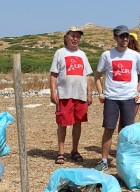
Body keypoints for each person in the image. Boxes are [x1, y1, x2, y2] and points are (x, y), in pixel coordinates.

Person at [94, 25, 140, 171]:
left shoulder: (135, 55)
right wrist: (100, 92)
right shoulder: (107, 55)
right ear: (115, 38)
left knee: (126, 131)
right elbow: (97, 76)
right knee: (109, 129)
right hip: (111, 98)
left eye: (126, 36)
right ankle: (104, 160)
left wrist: (137, 91)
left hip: (129, 99)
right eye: (122, 36)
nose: (125, 39)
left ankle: (124, 160)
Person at [49, 26, 93, 164]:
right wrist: (53, 91)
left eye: (78, 36)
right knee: (63, 123)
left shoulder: (82, 54)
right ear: (66, 37)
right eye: (73, 36)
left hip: (80, 95)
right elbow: (53, 74)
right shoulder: (60, 53)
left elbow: (88, 76)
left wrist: (89, 93)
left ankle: (75, 150)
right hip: (64, 94)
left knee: (78, 122)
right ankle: (61, 152)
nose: (75, 39)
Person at [115, 32, 140, 133]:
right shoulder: (137, 57)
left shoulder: (123, 56)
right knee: (129, 121)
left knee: (123, 121)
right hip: (134, 93)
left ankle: (121, 142)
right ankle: (124, 143)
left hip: (121, 93)